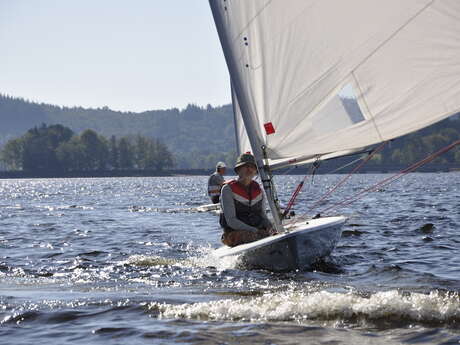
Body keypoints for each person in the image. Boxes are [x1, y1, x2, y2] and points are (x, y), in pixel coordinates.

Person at [219, 153, 275, 247]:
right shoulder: (227, 190)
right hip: (233, 234)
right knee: (254, 236)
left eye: (252, 167)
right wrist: (255, 231)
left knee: (278, 228)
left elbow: (263, 216)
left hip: (257, 230)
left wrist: (271, 228)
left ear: (256, 171)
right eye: (245, 166)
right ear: (238, 170)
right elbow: (231, 220)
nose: (249, 169)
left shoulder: (259, 190)